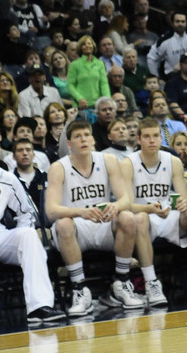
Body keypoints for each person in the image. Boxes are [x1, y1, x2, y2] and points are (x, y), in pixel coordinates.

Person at [45, 118, 144, 315]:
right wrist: (80, 212)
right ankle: (80, 289)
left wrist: (114, 206)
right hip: (75, 229)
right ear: (69, 143)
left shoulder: (108, 161)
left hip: (103, 224)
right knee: (63, 224)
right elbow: (51, 210)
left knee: (127, 218)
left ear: (93, 139)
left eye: (87, 135)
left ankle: (121, 284)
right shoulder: (58, 167)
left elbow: (126, 199)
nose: (83, 140)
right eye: (77, 136)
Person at [0, 127, 63, 333]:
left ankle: (39, 307)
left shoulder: (5, 177)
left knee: (28, 235)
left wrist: (20, 235)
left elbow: (27, 213)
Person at [122, 117, 187, 303]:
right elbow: (126, 204)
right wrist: (149, 208)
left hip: (167, 214)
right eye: (147, 136)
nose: (152, 140)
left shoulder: (173, 161)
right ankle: (151, 283)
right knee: (139, 218)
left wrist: (183, 204)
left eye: (156, 136)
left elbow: (186, 197)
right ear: (139, 139)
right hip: (144, 216)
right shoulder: (128, 163)